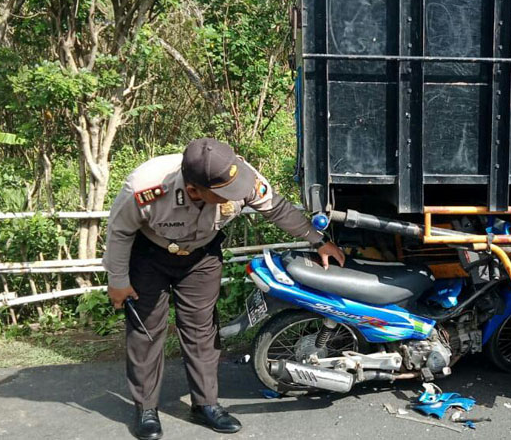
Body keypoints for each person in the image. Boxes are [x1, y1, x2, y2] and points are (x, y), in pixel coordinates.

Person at [102, 137, 345, 439]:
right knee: (147, 331)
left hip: (201, 256)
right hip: (149, 255)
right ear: (193, 190)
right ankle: (145, 409)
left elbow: (277, 209)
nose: (238, 194)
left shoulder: (240, 175)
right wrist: (118, 281)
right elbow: (120, 231)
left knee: (202, 330)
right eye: (226, 194)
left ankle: (205, 404)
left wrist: (318, 241)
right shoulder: (145, 185)